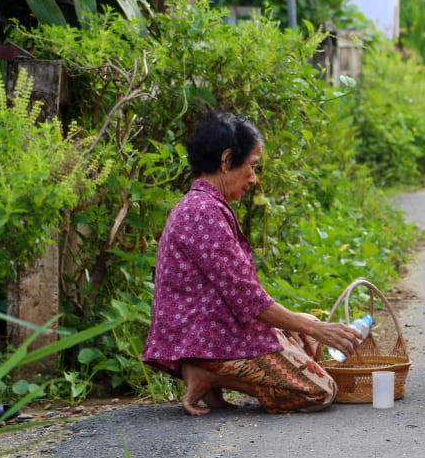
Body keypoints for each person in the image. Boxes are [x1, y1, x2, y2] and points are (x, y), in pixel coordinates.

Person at [142, 111, 365, 416]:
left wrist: (301, 325)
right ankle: (209, 374)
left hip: (217, 332)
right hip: (210, 340)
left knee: (302, 336)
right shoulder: (203, 213)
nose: (253, 179)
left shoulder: (202, 205)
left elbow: (243, 296)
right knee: (319, 391)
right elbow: (249, 300)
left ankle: (211, 373)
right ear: (226, 160)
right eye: (252, 166)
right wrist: (316, 327)